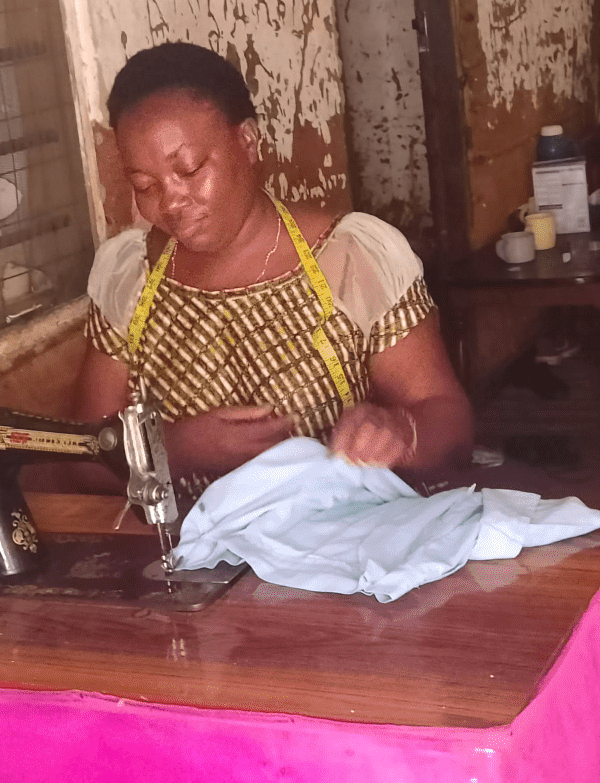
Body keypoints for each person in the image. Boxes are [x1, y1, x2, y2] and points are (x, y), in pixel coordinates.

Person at [72, 41, 472, 483]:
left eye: (189, 170)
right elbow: (86, 457)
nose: (171, 202)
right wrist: (171, 449)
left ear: (247, 141)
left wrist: (402, 431)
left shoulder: (351, 258)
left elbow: (449, 420)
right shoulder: (130, 276)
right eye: (145, 185)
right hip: (189, 547)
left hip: (335, 540)